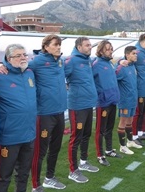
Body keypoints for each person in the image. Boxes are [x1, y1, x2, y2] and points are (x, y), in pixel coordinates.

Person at [0, 34, 67, 191]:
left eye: (24, 55)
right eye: (55, 44)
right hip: (41, 116)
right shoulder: (34, 64)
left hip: (54, 114)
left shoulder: (55, 63)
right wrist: (0, 64)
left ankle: (49, 177)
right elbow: (12, 67)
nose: (59, 47)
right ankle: (36, 184)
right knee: (37, 153)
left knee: (51, 150)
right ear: (46, 46)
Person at [0, 44, 37, 192]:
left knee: (23, 174)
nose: (23, 58)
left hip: (29, 135)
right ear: (9, 58)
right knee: (3, 177)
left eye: (25, 54)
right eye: (19, 55)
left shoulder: (29, 73)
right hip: (9, 138)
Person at [64, 37, 99, 184]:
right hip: (77, 106)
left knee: (86, 134)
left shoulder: (87, 60)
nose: (90, 47)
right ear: (79, 47)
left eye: (90, 45)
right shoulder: (71, 60)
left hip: (88, 104)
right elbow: (60, 74)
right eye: (87, 45)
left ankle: (84, 161)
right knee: (76, 137)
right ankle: (73, 170)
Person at [92, 40, 122, 166]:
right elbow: (91, 81)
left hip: (112, 100)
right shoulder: (96, 64)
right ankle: (100, 155)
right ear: (101, 51)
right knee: (101, 130)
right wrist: (99, 95)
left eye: (111, 48)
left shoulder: (110, 63)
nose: (111, 51)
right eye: (108, 49)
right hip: (103, 102)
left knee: (109, 128)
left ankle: (109, 150)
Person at [115, 46, 142, 155]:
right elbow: (113, 77)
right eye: (133, 53)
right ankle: (122, 146)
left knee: (130, 121)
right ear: (127, 55)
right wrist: (119, 62)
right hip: (125, 100)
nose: (136, 55)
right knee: (123, 122)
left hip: (132, 99)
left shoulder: (132, 66)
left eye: (136, 53)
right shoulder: (122, 67)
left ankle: (130, 141)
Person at [132, 33, 145, 146]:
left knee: (144, 112)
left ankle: (140, 133)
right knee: (138, 113)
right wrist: (121, 62)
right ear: (141, 42)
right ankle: (134, 136)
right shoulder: (138, 53)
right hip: (139, 89)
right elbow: (125, 59)